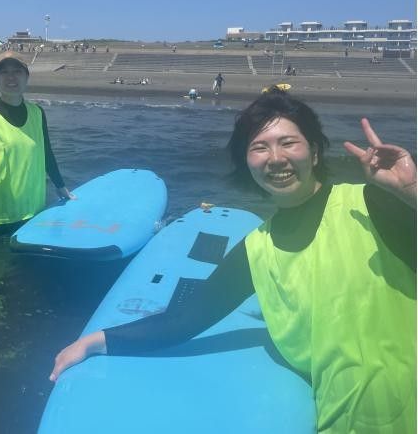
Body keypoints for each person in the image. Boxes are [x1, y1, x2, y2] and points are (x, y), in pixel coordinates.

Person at [49, 87, 415, 433]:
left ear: (315, 152)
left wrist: (411, 194)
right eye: (260, 148)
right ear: (247, 163)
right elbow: (186, 319)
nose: (276, 159)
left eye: (289, 143)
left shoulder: (368, 204)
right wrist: (94, 341)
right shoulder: (257, 249)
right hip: (341, 421)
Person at [0, 51, 74, 236]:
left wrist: (61, 186)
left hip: (33, 215)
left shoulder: (37, 113)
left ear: (27, 76)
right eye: (4, 72)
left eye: (17, 71)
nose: (11, 77)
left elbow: (46, 153)